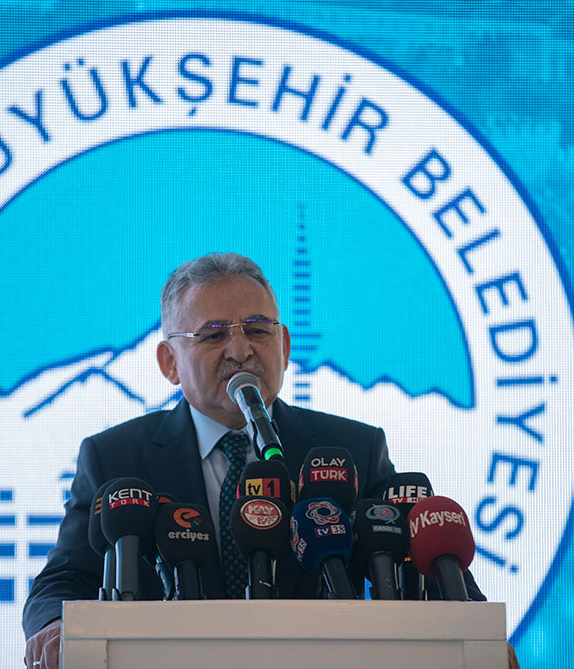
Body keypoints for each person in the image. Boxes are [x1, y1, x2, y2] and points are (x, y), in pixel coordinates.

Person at [22, 253, 399, 668]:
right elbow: (65, 579)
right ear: (169, 363)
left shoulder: (353, 450)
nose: (240, 351)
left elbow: (415, 568)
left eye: (257, 330)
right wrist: (56, 625)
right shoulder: (115, 458)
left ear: (285, 346)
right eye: (213, 335)